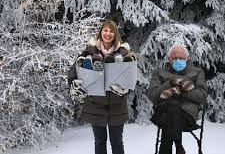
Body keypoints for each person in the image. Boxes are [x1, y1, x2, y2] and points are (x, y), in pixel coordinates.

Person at [68, 20, 136, 154]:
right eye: (105, 30)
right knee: (100, 141)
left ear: (115, 34)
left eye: (111, 31)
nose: (108, 33)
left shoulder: (124, 52)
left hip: (117, 103)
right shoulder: (89, 51)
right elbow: (74, 70)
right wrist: (73, 83)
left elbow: (131, 76)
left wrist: (126, 88)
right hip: (95, 103)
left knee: (116, 141)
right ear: (100, 32)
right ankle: (94, 63)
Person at [148, 44, 207, 154]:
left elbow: (202, 95)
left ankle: (169, 148)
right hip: (162, 114)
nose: (178, 60)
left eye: (181, 58)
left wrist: (182, 91)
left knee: (172, 107)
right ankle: (178, 146)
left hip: (186, 115)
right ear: (169, 59)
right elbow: (152, 95)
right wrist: (169, 83)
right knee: (171, 107)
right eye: (174, 58)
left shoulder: (197, 72)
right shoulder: (160, 73)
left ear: (187, 58)